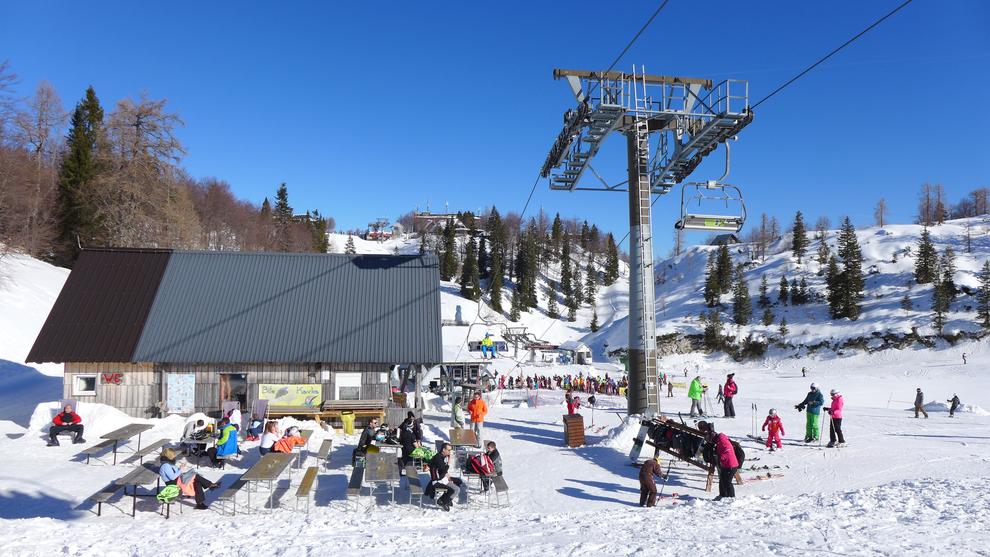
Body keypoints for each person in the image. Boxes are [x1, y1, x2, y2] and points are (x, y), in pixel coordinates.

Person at [701, 422, 738, 501]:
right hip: (726, 464)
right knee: (722, 480)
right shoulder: (719, 440)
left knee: (727, 482)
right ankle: (723, 495)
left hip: (730, 465)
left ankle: (732, 498)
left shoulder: (722, 441)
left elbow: (727, 451)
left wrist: (719, 457)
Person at [427, 443, 461, 511]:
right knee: (451, 490)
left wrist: (448, 477)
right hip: (437, 481)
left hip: (443, 479)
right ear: (443, 450)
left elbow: (443, 472)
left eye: (450, 450)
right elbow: (443, 470)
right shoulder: (438, 458)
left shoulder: (442, 457)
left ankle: (447, 499)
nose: (450, 452)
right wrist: (448, 463)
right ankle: (441, 501)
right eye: (448, 450)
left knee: (458, 485)